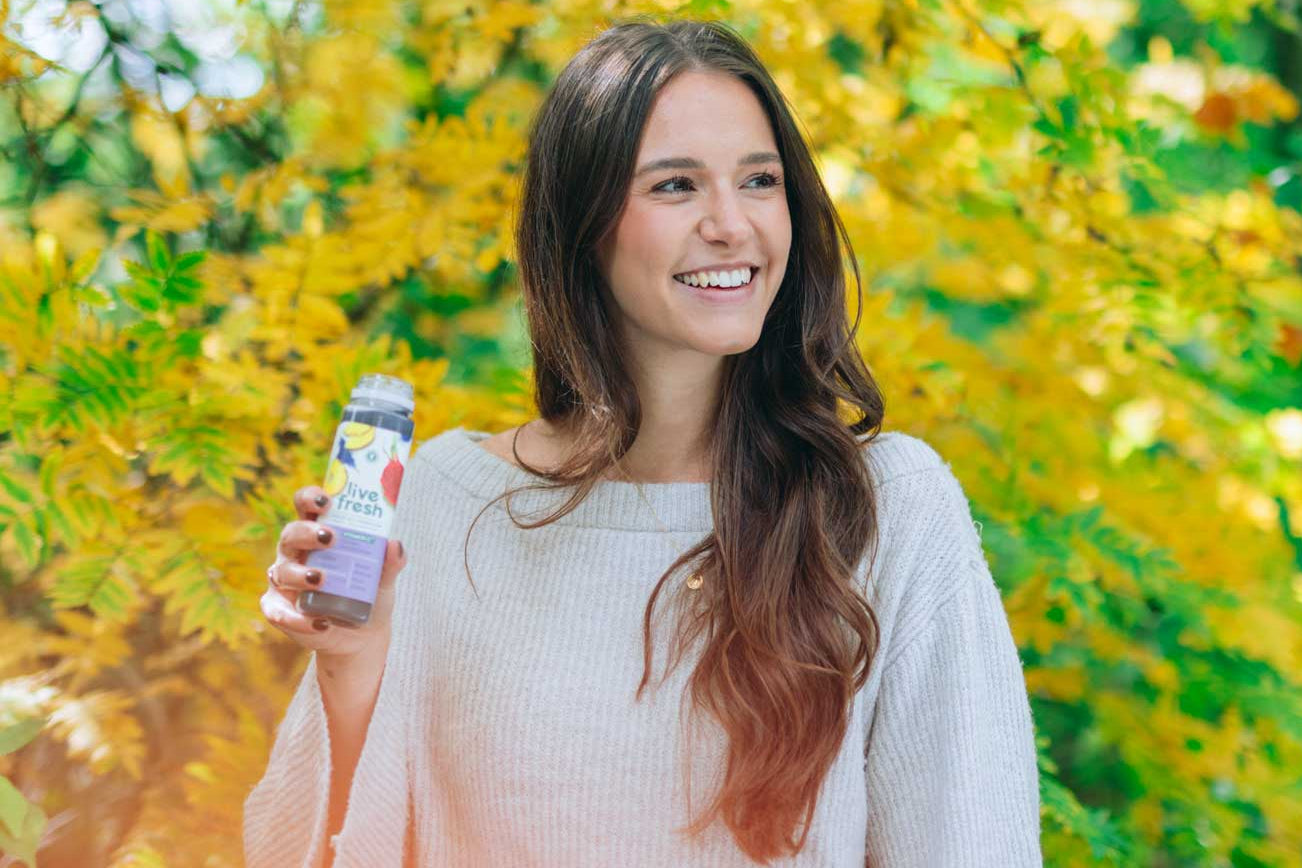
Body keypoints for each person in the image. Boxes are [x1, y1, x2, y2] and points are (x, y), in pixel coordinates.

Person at [244, 17, 1043, 868]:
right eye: (675, 187)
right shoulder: (445, 500)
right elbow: (307, 850)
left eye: (760, 180)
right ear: (582, 229)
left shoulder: (888, 509)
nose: (731, 224)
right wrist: (352, 666)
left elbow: (973, 843)